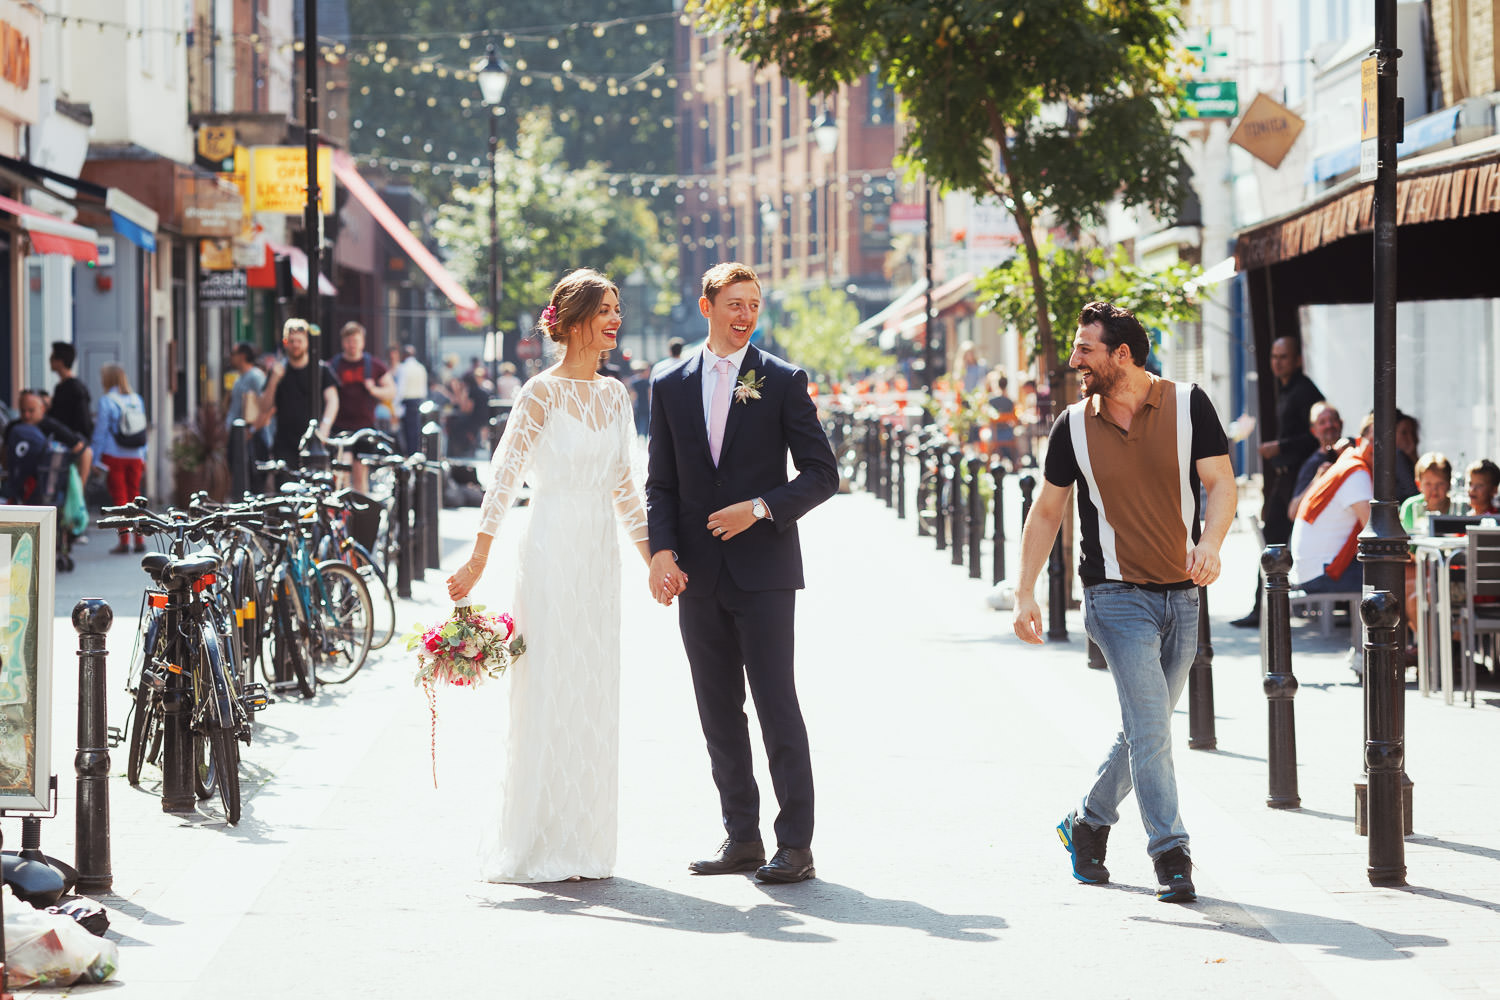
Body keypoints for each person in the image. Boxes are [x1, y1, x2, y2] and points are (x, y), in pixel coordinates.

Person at [1012, 301, 1234, 905]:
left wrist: (1211, 543)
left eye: (1085, 349)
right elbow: (1049, 509)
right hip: (1114, 597)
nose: (1074, 359)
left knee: (1148, 728)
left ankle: (1087, 821)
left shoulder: (1189, 405)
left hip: (1182, 595)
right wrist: (1025, 590)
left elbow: (1220, 483)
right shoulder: (1072, 426)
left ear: (1122, 355)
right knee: (1152, 730)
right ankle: (1171, 852)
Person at [444, 268, 648, 883]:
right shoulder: (539, 394)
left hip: (598, 555)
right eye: (606, 310)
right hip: (551, 545)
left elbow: (624, 487)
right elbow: (504, 478)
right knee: (549, 679)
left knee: (593, 682)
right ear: (577, 319)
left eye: (617, 308)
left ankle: (584, 842)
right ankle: (535, 841)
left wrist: (654, 562)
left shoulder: (616, 396)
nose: (616, 319)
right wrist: (479, 556)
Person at [645, 262, 839, 885]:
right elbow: (661, 483)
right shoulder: (668, 382)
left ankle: (796, 846)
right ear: (706, 307)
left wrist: (759, 509)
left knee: (777, 704)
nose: (744, 314)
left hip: (765, 572)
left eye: (753, 304)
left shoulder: (781, 380)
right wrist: (663, 552)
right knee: (717, 710)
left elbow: (821, 474)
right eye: (733, 303)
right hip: (697, 576)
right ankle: (742, 838)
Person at [1231, 336, 1324, 628]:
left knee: (1277, 545)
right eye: (1274, 356)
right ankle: (1265, 608)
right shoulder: (1285, 390)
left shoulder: (1305, 391)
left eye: (1284, 356)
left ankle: (1269, 609)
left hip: (1300, 481)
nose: (1278, 362)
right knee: (1272, 542)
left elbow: (1313, 436)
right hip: (1285, 481)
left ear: (1297, 359)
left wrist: (1280, 447)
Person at [1290, 422, 1373, 595]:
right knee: (1396, 578)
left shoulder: (1345, 466)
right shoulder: (1356, 473)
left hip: (1307, 571)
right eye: (1373, 441)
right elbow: (1374, 532)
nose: (1379, 448)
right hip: (1322, 574)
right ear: (1359, 440)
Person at [256, 319, 339, 467]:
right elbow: (264, 407)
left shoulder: (321, 370)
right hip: (285, 445)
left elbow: (332, 400)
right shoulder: (277, 371)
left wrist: (324, 428)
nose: (295, 345)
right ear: (285, 342)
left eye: (299, 341)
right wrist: (274, 380)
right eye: (291, 341)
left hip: (315, 443)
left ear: (307, 341)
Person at [327, 322, 395, 491]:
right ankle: (343, 513)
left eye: (355, 341)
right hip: (340, 427)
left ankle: (361, 514)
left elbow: (391, 391)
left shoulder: (372, 364)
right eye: (349, 341)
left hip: (364, 427)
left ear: (362, 342)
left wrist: (373, 389)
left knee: (361, 473)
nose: (352, 345)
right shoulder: (334, 365)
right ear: (343, 342)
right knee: (342, 471)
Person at [91, 364, 150, 553]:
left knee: (120, 498)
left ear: (107, 380)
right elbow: (142, 430)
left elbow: (100, 432)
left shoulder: (106, 401)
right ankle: (139, 539)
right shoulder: (136, 399)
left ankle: (124, 541)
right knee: (136, 496)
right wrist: (144, 455)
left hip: (113, 454)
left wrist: (95, 459)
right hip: (135, 456)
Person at [3, 389, 90, 504]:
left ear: (42, 409)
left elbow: (82, 449)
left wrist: (78, 491)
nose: (26, 415)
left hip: (47, 488)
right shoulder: (13, 427)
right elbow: (4, 455)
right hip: (18, 486)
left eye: (31, 411)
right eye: (22, 411)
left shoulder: (52, 426)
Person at [1286, 401, 1344, 520]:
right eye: (1322, 422)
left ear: (1341, 423)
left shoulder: (1355, 449)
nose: (1329, 425)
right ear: (1314, 431)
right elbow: (1293, 513)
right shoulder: (1312, 465)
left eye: (1333, 420)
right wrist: (1317, 480)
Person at [47, 342, 93, 486]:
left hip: (72, 446)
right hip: (72, 444)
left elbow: (83, 421)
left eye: (52, 357)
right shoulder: (72, 386)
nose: (49, 360)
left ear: (60, 361)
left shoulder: (71, 388)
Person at [393, 344, 430, 456]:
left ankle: (410, 455)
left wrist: (395, 405)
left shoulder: (403, 368)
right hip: (418, 402)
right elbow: (424, 389)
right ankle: (415, 454)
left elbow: (401, 389)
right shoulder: (421, 368)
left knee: (408, 433)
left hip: (407, 404)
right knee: (415, 432)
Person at [224, 342, 267, 431]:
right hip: (237, 433)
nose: (230, 357)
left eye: (233, 354)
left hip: (250, 437)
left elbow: (266, 406)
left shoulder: (256, 376)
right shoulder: (238, 378)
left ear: (242, 356)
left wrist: (252, 430)